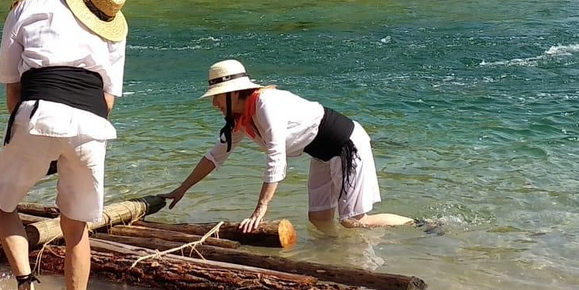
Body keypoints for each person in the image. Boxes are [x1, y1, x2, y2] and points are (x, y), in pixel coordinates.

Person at [0, 0, 128, 290]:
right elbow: (109, 99)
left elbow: (12, 87)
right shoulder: (109, 20)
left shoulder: (26, 6)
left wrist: (29, 137)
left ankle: (26, 289)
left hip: (39, 112)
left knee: (1, 201)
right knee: (76, 227)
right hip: (93, 123)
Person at [165, 59, 414, 232]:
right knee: (318, 219)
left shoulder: (265, 104)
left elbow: (276, 157)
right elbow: (215, 157)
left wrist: (260, 209)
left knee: (353, 221)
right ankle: (334, 255)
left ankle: (417, 224)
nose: (214, 104)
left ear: (233, 94)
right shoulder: (240, 119)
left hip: (345, 144)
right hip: (320, 153)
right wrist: (182, 189)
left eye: (217, 97)